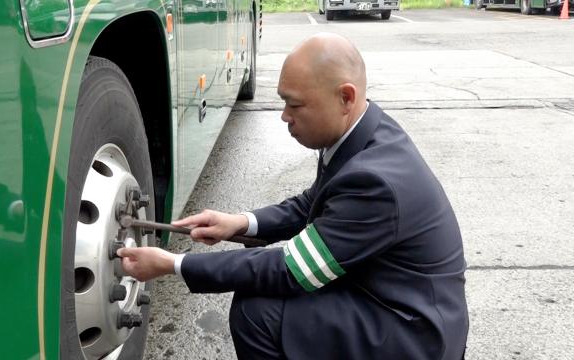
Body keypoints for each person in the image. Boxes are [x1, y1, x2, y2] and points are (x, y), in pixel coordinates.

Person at [117, 33, 469, 359]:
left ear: (345, 97)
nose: (284, 116)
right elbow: (312, 203)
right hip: (387, 295)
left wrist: (172, 265)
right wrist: (240, 222)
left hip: (413, 332)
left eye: (295, 105)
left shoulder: (375, 182)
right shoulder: (363, 133)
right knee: (263, 300)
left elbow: (291, 268)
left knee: (258, 313)